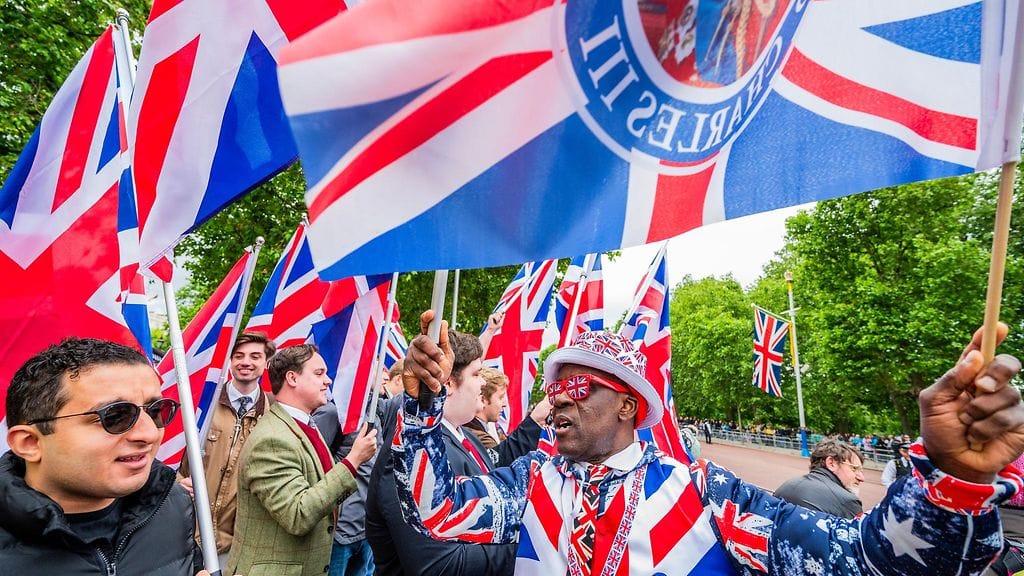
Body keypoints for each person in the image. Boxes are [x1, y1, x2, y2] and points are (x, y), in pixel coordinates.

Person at [395, 315, 1024, 575]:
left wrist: (948, 476)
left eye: (577, 385)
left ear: (628, 407)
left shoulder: (703, 492)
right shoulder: (530, 478)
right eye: (553, 387)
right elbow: (436, 509)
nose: (555, 398)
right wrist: (422, 404)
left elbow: (856, 562)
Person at [0, 338, 201, 574]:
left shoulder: (172, 504)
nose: (149, 434)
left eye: (156, 411)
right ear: (30, 443)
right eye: (115, 416)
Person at [366, 329, 549, 576]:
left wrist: (535, 422)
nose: (483, 382)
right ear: (449, 383)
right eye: (476, 374)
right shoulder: (411, 456)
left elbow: (495, 465)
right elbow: (438, 565)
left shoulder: (463, 435)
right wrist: (534, 547)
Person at [227, 344, 377, 576]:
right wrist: (353, 461)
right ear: (292, 378)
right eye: (319, 374)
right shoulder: (272, 439)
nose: (327, 381)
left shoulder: (305, 425)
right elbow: (298, 515)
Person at [177, 331, 275, 566]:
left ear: (266, 362)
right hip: (185, 531)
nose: (246, 363)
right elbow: (170, 457)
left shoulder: (273, 415)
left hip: (233, 542)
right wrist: (176, 483)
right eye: (238, 355)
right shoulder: (201, 403)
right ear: (229, 361)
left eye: (255, 356)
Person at [311, 360, 404, 576]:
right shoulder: (333, 412)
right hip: (339, 533)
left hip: (367, 530)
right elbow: (314, 468)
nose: (385, 376)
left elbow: (411, 398)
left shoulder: (377, 410)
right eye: (378, 368)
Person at [773, 439, 865, 519]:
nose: (861, 478)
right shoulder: (847, 501)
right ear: (831, 463)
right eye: (854, 469)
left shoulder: (785, 486)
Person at [464, 366, 509, 449]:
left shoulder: (472, 430)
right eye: (500, 397)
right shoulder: (481, 439)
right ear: (483, 399)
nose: (505, 404)